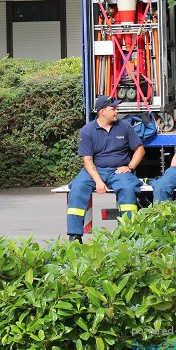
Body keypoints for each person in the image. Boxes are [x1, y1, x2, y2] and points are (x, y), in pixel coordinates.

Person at [66, 95, 145, 242]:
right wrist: (98, 181)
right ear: (102, 111)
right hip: (95, 170)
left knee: (128, 189)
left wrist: (130, 166)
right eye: (113, 109)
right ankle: (75, 235)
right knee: (77, 189)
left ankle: (127, 234)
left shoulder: (125, 126)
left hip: (119, 171)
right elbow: (88, 160)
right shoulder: (88, 130)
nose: (117, 112)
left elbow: (139, 149)